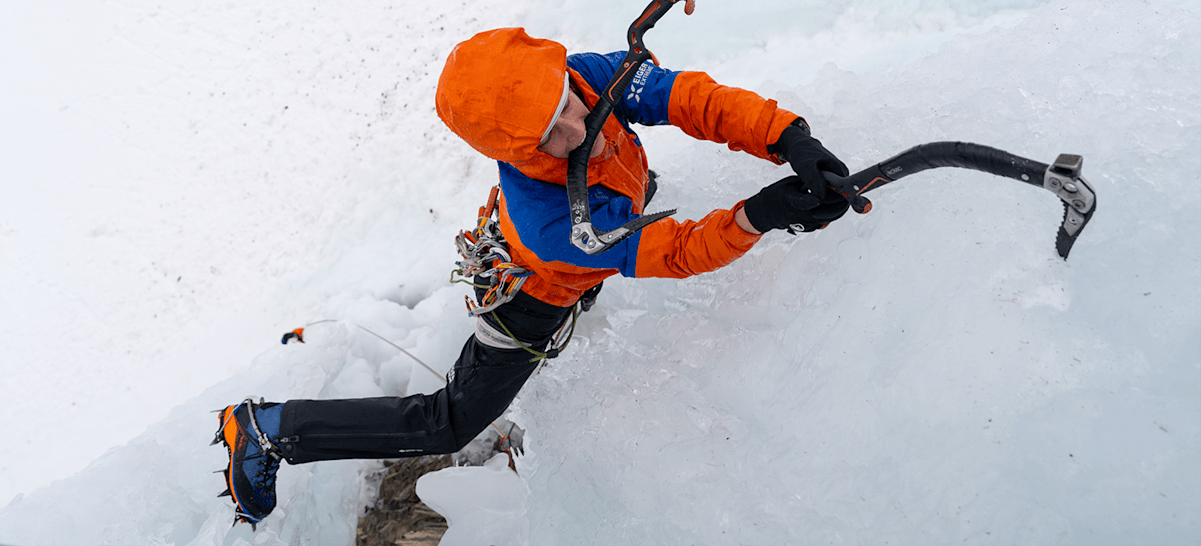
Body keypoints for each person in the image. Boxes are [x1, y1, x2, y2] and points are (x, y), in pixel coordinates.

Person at [213, 27, 851, 527]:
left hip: (585, 246)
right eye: (551, 138)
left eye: (568, 106)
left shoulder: (582, 77)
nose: (581, 131)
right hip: (530, 296)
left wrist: (785, 136)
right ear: (515, 152)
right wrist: (759, 215)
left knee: (628, 195)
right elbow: (676, 251)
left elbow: (682, 97)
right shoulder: (553, 222)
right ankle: (270, 430)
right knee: (447, 422)